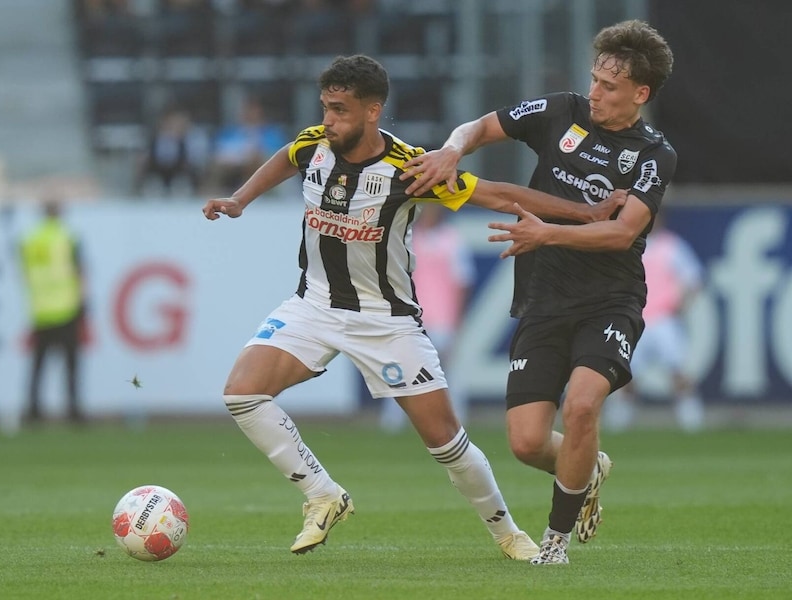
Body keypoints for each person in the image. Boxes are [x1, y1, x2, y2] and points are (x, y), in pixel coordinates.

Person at [201, 54, 625, 558]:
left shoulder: (410, 168)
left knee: (446, 443)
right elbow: (286, 158)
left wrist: (586, 211)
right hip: (312, 305)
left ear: (373, 110)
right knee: (242, 393)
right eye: (325, 108)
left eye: (340, 110)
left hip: (386, 321)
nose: (329, 120)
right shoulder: (315, 143)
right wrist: (241, 199)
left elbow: (498, 194)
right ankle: (322, 494)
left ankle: (508, 533)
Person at [401, 20, 676, 565]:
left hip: (610, 301)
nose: (594, 92)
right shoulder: (562, 112)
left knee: (580, 405)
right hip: (543, 300)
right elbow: (478, 127)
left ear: (640, 94)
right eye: (594, 79)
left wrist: (545, 232)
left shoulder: (653, 154)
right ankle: (587, 467)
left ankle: (556, 541)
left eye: (609, 86)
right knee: (526, 442)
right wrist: (452, 150)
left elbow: (623, 232)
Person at [379, 202, 476, 432]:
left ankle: (457, 418)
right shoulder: (408, 238)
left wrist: (457, 320)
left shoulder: (452, 239)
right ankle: (393, 419)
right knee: (401, 365)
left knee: (448, 368)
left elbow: (462, 282)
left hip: (443, 316)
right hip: (412, 314)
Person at [604, 212, 705, 432]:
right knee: (625, 375)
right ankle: (619, 423)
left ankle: (692, 420)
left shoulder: (672, 246)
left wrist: (679, 306)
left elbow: (693, 278)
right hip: (634, 319)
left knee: (677, 371)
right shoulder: (628, 244)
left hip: (663, 320)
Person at [20, 198, 87, 424]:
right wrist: (83, 303)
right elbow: (79, 270)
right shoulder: (67, 237)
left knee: (38, 364)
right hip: (66, 305)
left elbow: (26, 272)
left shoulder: (31, 239)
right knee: (71, 364)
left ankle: (32, 411)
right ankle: (73, 411)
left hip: (40, 308)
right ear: (59, 213)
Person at [206, 95, 287, 195]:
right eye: (246, 111)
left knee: (256, 162)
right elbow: (220, 150)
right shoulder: (231, 131)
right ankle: (210, 195)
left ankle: (248, 194)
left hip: (259, 162)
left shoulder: (272, 132)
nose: (249, 114)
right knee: (216, 165)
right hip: (234, 163)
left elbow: (279, 152)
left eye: (253, 111)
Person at [134, 104, 210, 196]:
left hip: (180, 172)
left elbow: (197, 159)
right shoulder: (156, 137)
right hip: (158, 170)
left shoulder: (192, 138)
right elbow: (147, 156)